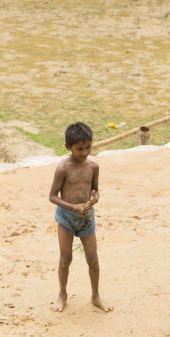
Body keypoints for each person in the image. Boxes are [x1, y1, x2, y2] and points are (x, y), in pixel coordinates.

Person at [48, 121, 112, 313]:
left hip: (86, 218)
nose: (85, 152)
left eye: (88, 148)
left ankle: (95, 295)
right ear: (68, 147)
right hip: (66, 218)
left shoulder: (93, 166)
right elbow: (52, 196)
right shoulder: (63, 168)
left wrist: (95, 198)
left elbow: (96, 189)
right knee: (65, 259)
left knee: (92, 258)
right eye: (79, 149)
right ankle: (62, 293)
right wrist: (73, 207)